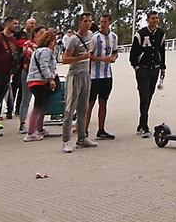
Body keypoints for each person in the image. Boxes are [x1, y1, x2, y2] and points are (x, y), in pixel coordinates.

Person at [58, 13, 97, 152]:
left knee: (83, 108)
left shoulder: (92, 36)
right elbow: (64, 59)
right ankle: (66, 140)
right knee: (70, 108)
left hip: (86, 74)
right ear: (80, 22)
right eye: (85, 21)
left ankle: (82, 137)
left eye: (90, 21)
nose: (88, 23)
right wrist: (81, 57)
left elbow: (93, 51)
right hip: (74, 75)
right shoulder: (73, 40)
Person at [129, 10, 166, 137]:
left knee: (149, 96)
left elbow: (162, 51)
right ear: (148, 20)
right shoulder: (140, 34)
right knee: (144, 97)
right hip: (142, 69)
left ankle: (141, 122)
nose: (155, 20)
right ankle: (145, 126)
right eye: (153, 18)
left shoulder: (161, 34)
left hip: (154, 69)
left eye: (157, 18)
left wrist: (162, 68)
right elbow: (133, 53)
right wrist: (136, 67)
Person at [22, 28, 57, 140]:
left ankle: (39, 128)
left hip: (34, 80)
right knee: (38, 106)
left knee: (42, 105)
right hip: (39, 81)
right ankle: (31, 132)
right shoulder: (45, 51)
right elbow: (44, 66)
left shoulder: (38, 51)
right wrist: (51, 79)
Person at [89, 14, 119, 141]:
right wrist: (102, 59)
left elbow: (115, 52)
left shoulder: (113, 37)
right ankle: (83, 130)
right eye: (101, 22)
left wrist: (113, 58)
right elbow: (88, 56)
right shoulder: (95, 38)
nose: (103, 24)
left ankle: (101, 130)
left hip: (107, 75)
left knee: (103, 102)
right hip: (94, 76)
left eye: (105, 22)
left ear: (110, 23)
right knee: (89, 103)